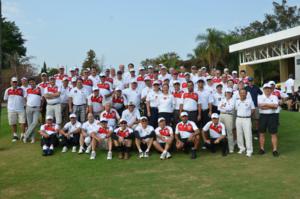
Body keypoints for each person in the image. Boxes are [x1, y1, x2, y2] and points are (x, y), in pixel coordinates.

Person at [258, 83, 279, 157]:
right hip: (263, 116)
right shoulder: (260, 97)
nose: (267, 89)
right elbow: (260, 107)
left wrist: (265, 104)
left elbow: (276, 106)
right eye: (266, 88)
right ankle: (262, 149)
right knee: (261, 133)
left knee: (273, 133)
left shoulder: (275, 96)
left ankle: (275, 150)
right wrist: (271, 105)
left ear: (271, 89)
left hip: (272, 116)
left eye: (269, 88)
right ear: (263, 89)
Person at [3, 77, 26, 142]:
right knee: (13, 123)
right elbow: (5, 99)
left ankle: (23, 134)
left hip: (21, 108)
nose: (14, 83)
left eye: (15, 82)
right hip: (11, 109)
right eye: (13, 82)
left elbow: (25, 97)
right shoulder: (8, 90)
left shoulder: (21, 90)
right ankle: (15, 135)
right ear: (11, 82)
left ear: (17, 82)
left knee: (22, 122)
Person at [235, 89, 255, 157]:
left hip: (247, 119)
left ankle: (249, 150)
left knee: (248, 135)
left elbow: (253, 109)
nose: (242, 94)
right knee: (239, 134)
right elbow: (236, 109)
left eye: (244, 93)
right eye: (241, 93)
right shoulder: (237, 101)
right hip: (238, 118)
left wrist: (248, 115)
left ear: (246, 94)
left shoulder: (249, 101)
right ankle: (242, 148)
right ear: (239, 94)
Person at [24, 78, 42, 143]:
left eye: (33, 82)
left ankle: (25, 135)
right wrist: (27, 104)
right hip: (28, 108)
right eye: (30, 82)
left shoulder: (39, 89)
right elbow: (25, 98)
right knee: (30, 124)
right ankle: (32, 138)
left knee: (34, 123)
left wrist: (41, 106)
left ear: (35, 82)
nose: (31, 83)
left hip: (36, 108)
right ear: (29, 83)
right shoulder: (27, 89)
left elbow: (42, 98)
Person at [218, 88, 235, 153]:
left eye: (229, 93)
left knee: (229, 132)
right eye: (227, 92)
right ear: (225, 93)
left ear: (231, 94)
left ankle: (231, 148)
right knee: (221, 131)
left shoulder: (233, 100)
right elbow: (218, 107)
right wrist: (224, 107)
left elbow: (230, 108)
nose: (228, 94)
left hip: (228, 115)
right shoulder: (223, 99)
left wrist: (223, 107)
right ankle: (222, 146)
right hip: (221, 115)